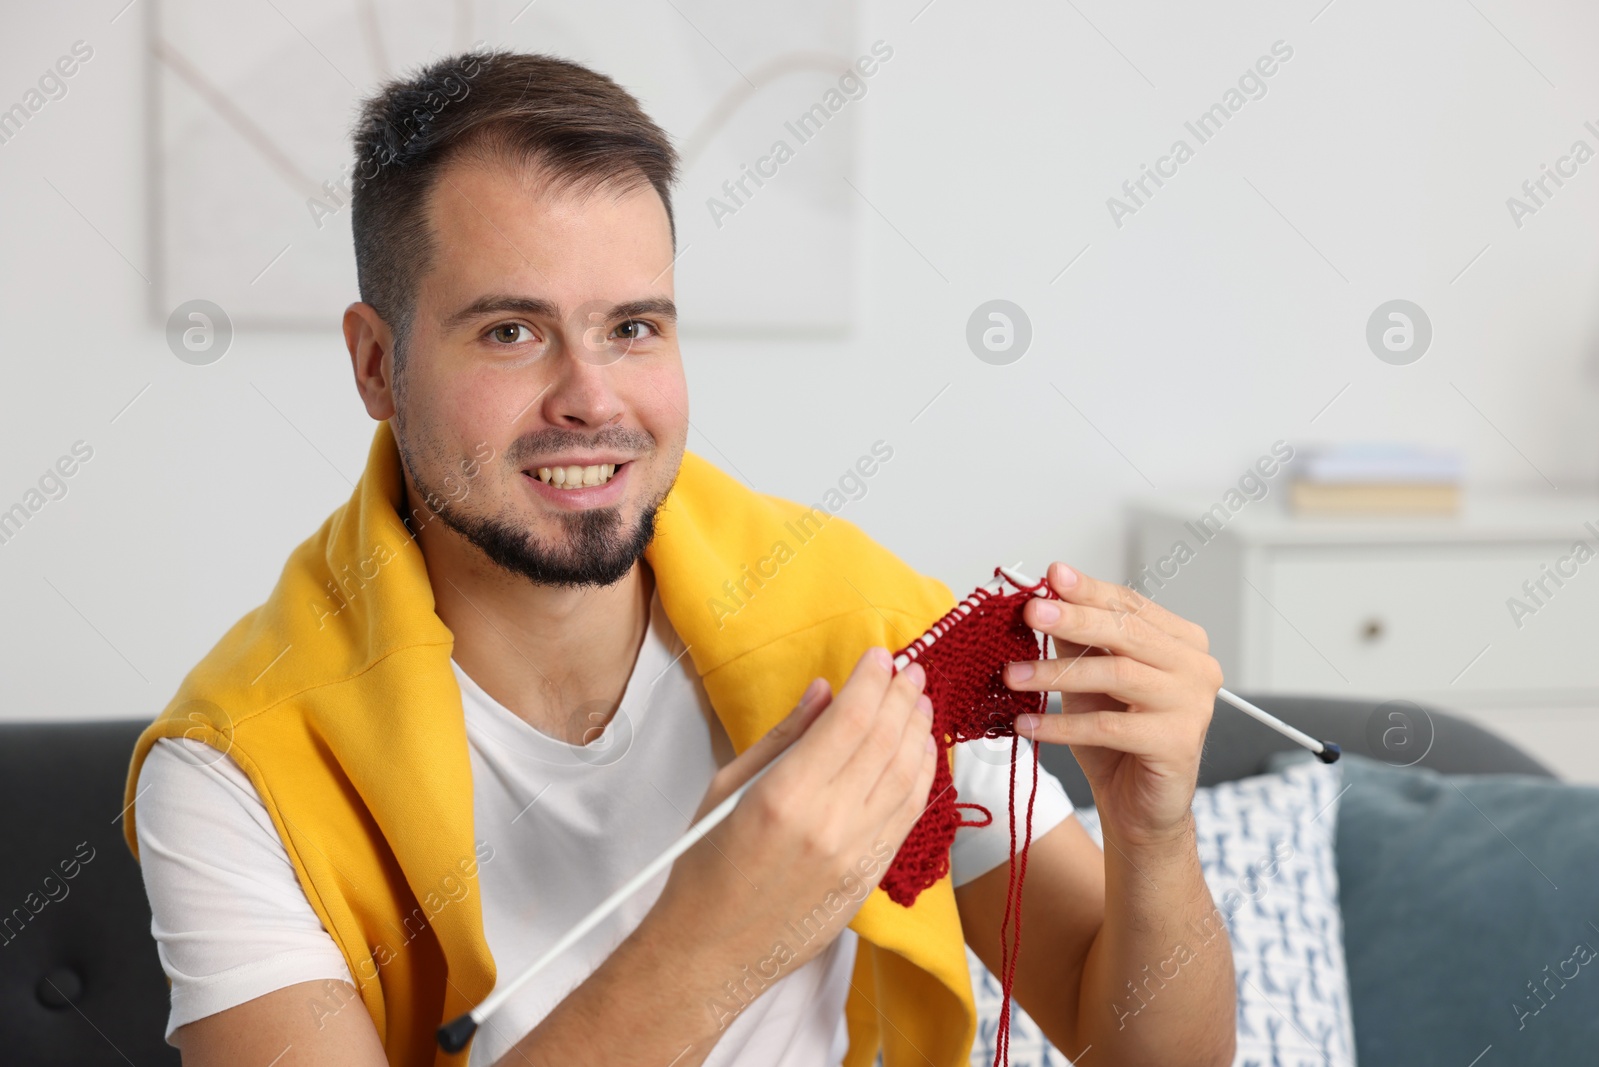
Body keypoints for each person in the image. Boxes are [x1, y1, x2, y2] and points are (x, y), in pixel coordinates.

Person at [121, 49, 1235, 1067]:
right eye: (510, 331)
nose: (592, 398)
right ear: (376, 364)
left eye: (633, 327)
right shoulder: (235, 769)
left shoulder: (869, 631)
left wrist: (1153, 833)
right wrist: (721, 932)